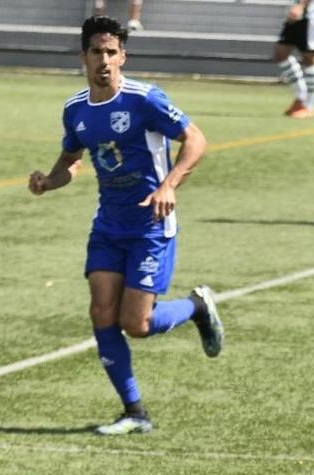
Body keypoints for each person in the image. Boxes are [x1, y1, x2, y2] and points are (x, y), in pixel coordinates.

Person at [28, 15, 223, 435]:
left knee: (137, 325)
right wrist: (48, 182)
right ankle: (135, 412)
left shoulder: (145, 99)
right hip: (108, 226)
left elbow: (196, 140)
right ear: (83, 57)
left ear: (123, 57)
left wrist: (170, 184)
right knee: (101, 309)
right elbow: (71, 162)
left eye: (112, 52)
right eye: (96, 52)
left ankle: (197, 306)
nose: (104, 60)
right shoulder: (75, 109)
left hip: (151, 225)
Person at [274, 0, 314, 118]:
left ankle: (308, 106)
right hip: (298, 15)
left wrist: (301, 6)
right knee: (281, 54)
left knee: (310, 57)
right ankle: (301, 97)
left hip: (312, 16)